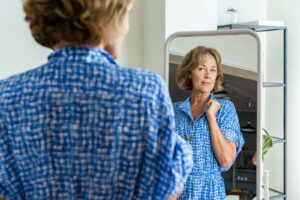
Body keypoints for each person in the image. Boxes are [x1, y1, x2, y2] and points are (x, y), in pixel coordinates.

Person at [0, 0, 193, 199]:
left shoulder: (7, 96)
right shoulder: (145, 91)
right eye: (126, 14)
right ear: (110, 19)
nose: (126, 28)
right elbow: (166, 188)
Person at [173, 46, 244, 199]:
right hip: (178, 192)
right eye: (201, 69)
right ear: (189, 73)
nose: (207, 75)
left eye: (212, 70)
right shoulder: (174, 111)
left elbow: (225, 160)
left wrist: (211, 117)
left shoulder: (225, 109)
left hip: (210, 193)